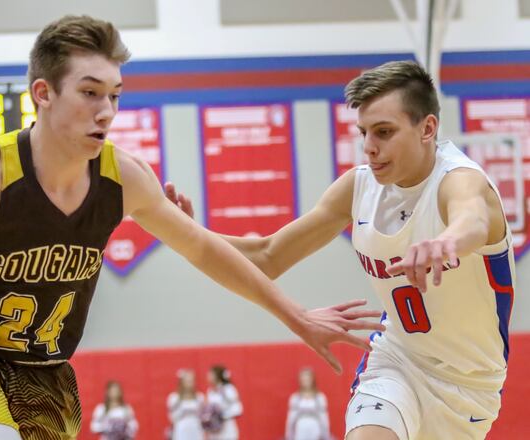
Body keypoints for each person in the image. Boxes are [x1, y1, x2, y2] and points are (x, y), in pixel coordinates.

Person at [0, 15, 384, 440]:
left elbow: (207, 252)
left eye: (116, 93)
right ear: (42, 94)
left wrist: (294, 316)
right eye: (89, 92)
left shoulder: (125, 178)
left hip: (42, 367)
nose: (107, 110)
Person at [166, 60, 515, 440]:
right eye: (363, 132)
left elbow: (473, 219)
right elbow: (267, 256)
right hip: (397, 360)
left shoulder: (460, 180)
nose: (369, 147)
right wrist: (184, 233)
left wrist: (446, 243)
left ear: (427, 128)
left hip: (469, 382)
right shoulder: (358, 187)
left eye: (384, 132)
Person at [285, 368, 330, 440]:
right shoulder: (295, 398)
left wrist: (326, 435)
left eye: (308, 379)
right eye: (303, 379)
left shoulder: (320, 397)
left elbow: (324, 418)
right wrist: (288, 435)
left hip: (315, 429)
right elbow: (291, 419)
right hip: (300, 429)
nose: (306, 381)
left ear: (312, 380)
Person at [202, 365, 242, 440]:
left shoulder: (228, 389)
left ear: (217, 376)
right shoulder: (210, 391)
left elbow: (238, 408)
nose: (208, 376)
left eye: (211, 374)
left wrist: (222, 416)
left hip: (227, 430)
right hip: (214, 431)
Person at [167, 370, 204, 440]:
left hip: (196, 429)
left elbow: (203, 416)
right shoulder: (174, 398)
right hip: (181, 430)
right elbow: (172, 416)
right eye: (187, 381)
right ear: (182, 382)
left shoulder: (199, 397)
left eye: (192, 381)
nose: (190, 383)